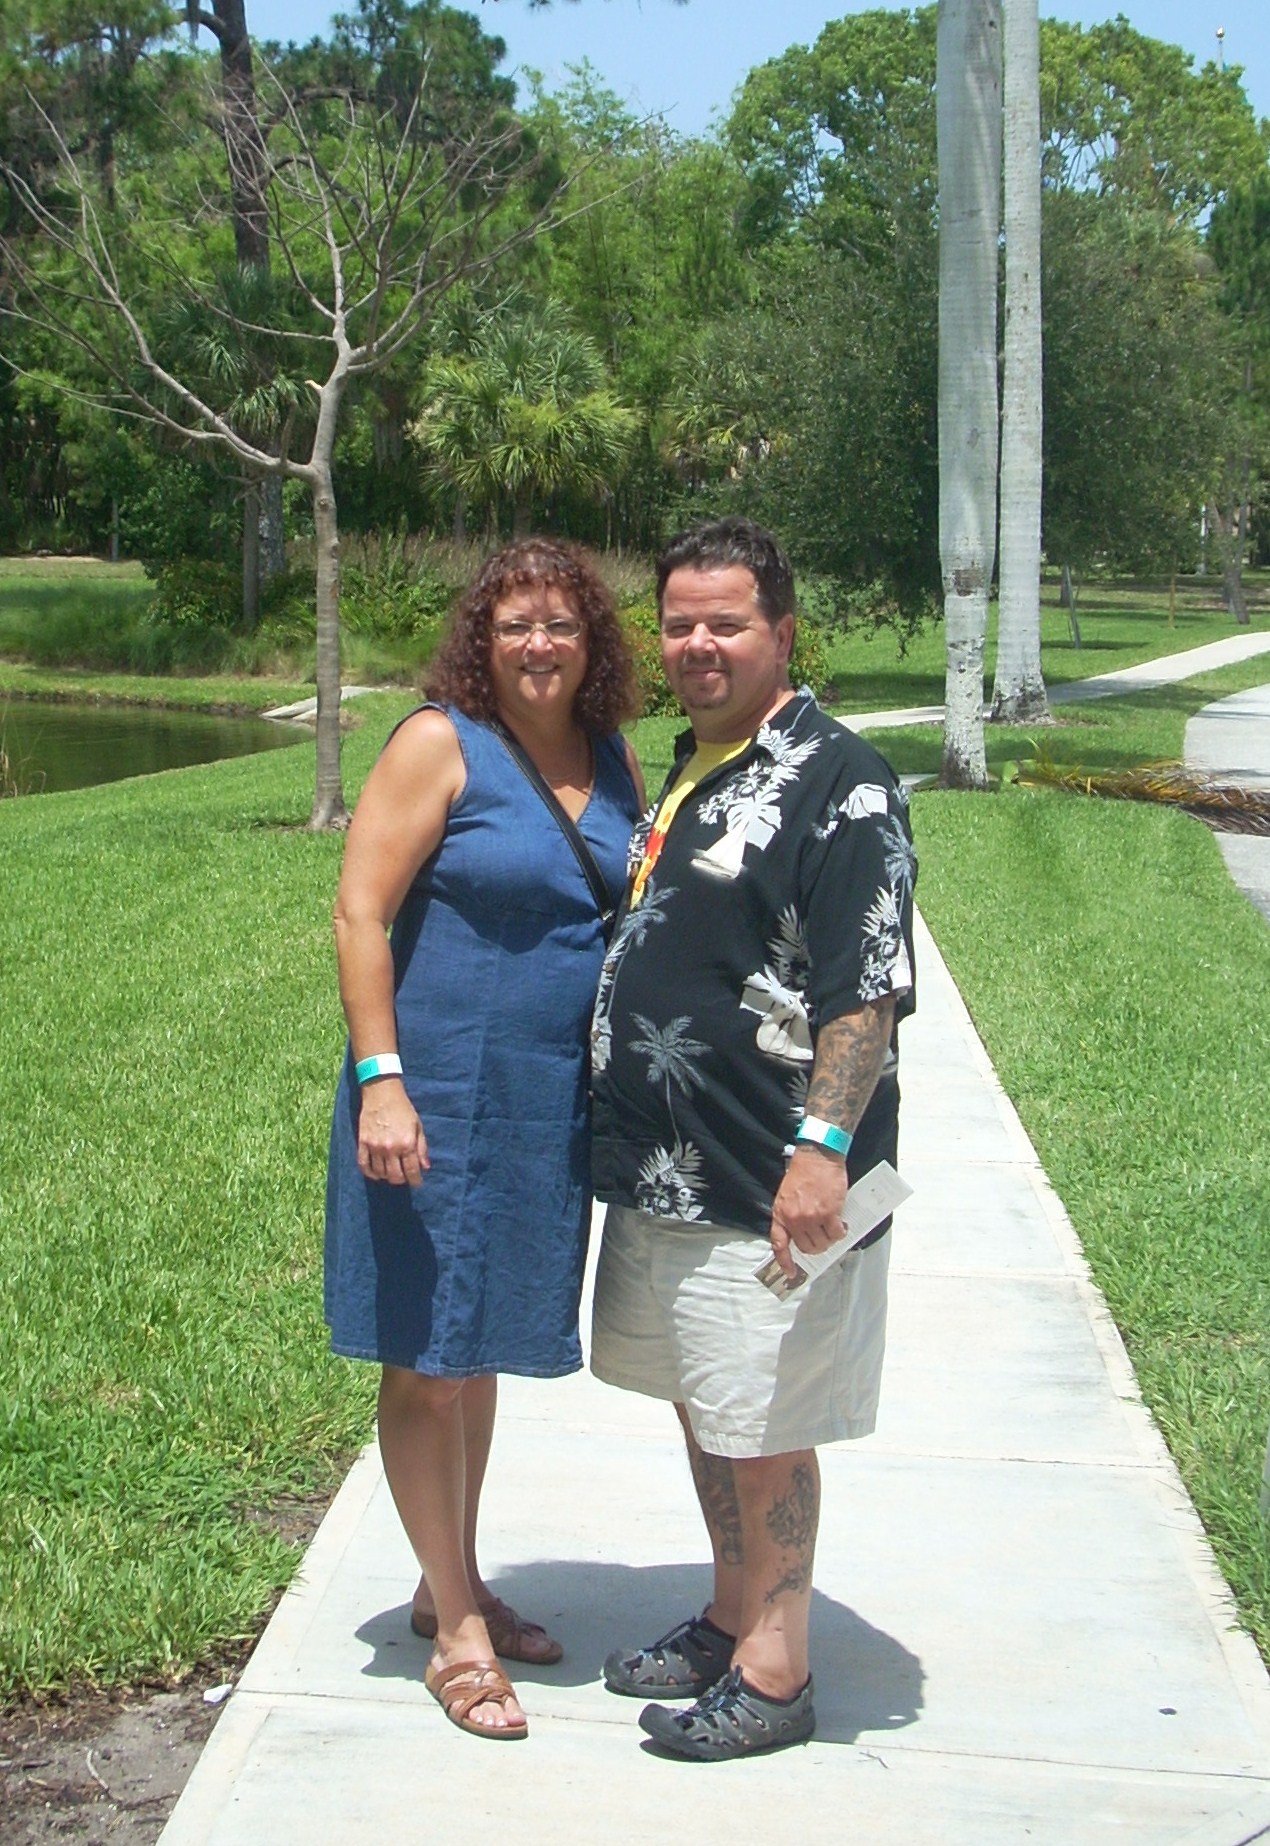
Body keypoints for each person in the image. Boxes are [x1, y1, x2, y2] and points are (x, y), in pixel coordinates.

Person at [588, 516, 916, 1760]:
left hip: (771, 1176)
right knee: (708, 1402)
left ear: (782, 628)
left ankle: (777, 1677)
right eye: (679, 623)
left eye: (727, 621)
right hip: (672, 1170)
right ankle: (733, 1617)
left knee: (767, 1421)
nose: (699, 644)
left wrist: (821, 1148)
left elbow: (864, 987)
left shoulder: (843, 781)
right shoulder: (689, 762)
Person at [325, 538, 643, 1742]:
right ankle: (457, 1632)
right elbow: (360, 910)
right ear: (483, 635)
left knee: (485, 1338)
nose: (539, 644)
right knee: (425, 1351)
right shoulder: (436, 742)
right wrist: (381, 1080)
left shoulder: (606, 756)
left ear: (589, 638)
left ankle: (443, 1573)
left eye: (560, 623)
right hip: (436, 1089)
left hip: (542, 1100)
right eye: (515, 624)